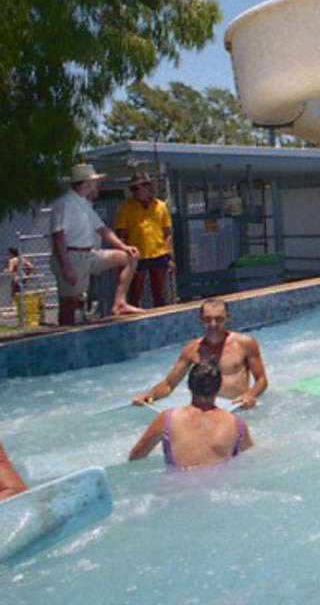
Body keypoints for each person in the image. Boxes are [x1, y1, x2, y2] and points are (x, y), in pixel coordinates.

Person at [49, 163, 144, 324]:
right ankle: (65, 339)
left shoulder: (85, 203)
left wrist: (125, 247)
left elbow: (103, 230)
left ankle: (119, 303)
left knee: (128, 258)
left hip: (90, 254)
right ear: (86, 183)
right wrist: (66, 268)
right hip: (71, 257)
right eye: (95, 181)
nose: (97, 184)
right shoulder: (65, 203)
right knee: (70, 303)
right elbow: (58, 236)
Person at [133, 299, 269, 410]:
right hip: (206, 412)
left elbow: (261, 380)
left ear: (228, 317)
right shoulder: (192, 349)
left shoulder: (245, 344)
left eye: (219, 319)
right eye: (207, 319)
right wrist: (150, 395)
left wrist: (250, 395)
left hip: (238, 408)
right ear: (200, 319)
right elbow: (169, 384)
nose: (213, 324)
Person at [129, 360, 254, 470]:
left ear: (189, 386)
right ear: (218, 387)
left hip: (178, 488)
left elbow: (135, 457)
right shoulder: (236, 424)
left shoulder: (167, 419)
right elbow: (248, 455)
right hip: (222, 488)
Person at [114, 171, 175, 308]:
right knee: (135, 293)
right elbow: (121, 236)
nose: (135, 191)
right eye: (132, 189)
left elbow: (167, 233)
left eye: (138, 187)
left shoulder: (160, 206)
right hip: (136, 255)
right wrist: (123, 258)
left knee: (160, 294)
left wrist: (170, 257)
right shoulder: (125, 208)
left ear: (147, 187)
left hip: (158, 253)